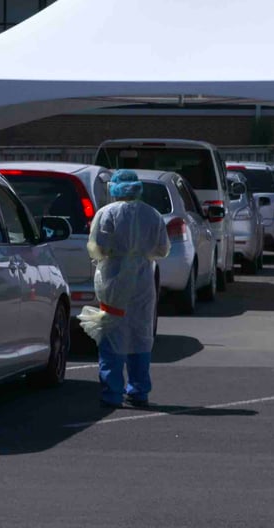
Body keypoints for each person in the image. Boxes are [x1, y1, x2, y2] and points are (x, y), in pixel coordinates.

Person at [87, 169, 170, 408]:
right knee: (140, 332)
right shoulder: (152, 215)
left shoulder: (106, 213)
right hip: (143, 279)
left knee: (111, 329)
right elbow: (162, 249)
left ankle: (111, 392)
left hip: (113, 279)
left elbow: (97, 248)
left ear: (114, 189)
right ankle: (138, 390)